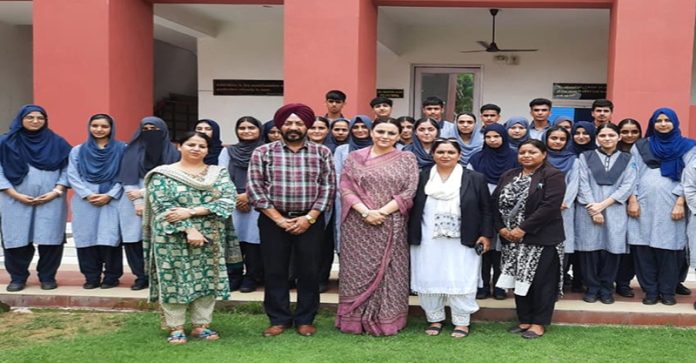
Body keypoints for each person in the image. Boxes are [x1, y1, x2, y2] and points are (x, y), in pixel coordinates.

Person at [143, 131, 240, 345]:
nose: (196, 149)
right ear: (179, 146)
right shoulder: (162, 175)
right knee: (175, 279)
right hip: (172, 236)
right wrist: (189, 229)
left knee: (206, 279)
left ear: (208, 150)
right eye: (191, 144)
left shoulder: (218, 173)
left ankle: (201, 325)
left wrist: (192, 212)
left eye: (202, 146)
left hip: (210, 234)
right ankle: (175, 327)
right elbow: (163, 206)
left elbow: (227, 199)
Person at [247, 103, 336, 337]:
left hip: (310, 221)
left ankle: (306, 319)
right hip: (272, 221)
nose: (294, 127)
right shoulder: (263, 152)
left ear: (306, 126)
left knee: (309, 271)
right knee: (275, 270)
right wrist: (278, 219)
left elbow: (328, 188)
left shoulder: (322, 152)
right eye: (289, 123)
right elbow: (255, 188)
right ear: (280, 125)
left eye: (299, 123)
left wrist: (309, 218)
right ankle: (279, 319)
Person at [336, 118, 418, 336]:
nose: (385, 136)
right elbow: (345, 187)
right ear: (371, 133)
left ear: (399, 136)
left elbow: (409, 191)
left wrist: (381, 212)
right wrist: (365, 212)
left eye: (391, 133)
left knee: (391, 271)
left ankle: (386, 320)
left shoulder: (407, 159)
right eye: (380, 131)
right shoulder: (354, 158)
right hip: (357, 224)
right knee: (357, 270)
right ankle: (354, 319)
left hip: (391, 223)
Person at [409, 138, 493, 338]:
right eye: (441, 152)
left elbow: (486, 210)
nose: (445, 156)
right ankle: (435, 319)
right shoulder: (422, 177)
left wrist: (486, 235)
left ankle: (462, 321)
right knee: (429, 276)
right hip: (428, 237)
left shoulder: (475, 178)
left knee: (461, 277)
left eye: (450, 152)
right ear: (433, 154)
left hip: (464, 238)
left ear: (459, 155)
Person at [493, 139, 566, 339]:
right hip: (512, 240)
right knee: (520, 280)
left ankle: (538, 323)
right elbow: (495, 203)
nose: (526, 155)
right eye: (522, 152)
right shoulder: (509, 175)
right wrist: (501, 228)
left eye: (532, 152)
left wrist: (523, 228)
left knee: (542, 282)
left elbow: (550, 206)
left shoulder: (553, 175)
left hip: (542, 239)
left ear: (543, 154)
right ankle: (524, 319)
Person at [1, 104, 71, 292]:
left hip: (51, 200)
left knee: (50, 240)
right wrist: (14, 194)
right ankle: (18, 278)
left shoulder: (58, 143)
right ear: (21, 119)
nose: (35, 121)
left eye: (40, 118)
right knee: (16, 239)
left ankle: (47, 277)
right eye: (30, 117)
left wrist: (56, 191)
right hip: (15, 200)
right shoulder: (6, 142)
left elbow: (68, 169)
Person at [629, 108, 695, 305]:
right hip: (644, 204)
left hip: (673, 204)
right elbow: (631, 174)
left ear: (675, 122)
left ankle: (667, 292)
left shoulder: (689, 147)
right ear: (652, 123)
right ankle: (650, 292)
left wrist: (680, 201)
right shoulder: (641, 146)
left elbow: (690, 178)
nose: (663, 124)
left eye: (667, 120)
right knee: (643, 248)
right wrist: (632, 199)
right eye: (659, 120)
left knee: (670, 250)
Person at [575, 123, 637, 305]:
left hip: (615, 209)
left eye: (611, 135)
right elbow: (582, 183)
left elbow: (628, 185)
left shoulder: (628, 159)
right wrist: (592, 208)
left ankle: (606, 288)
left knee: (613, 250)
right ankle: (592, 288)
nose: (607, 138)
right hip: (588, 208)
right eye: (603, 135)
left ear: (619, 137)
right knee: (589, 250)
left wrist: (602, 206)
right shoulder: (585, 157)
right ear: (597, 138)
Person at [117, 116, 180, 290]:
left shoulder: (173, 153)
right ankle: (141, 276)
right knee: (134, 240)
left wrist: (147, 196)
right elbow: (127, 178)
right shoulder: (131, 151)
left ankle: (160, 277)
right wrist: (138, 202)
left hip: (163, 201)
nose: (150, 132)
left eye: (154, 129)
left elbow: (173, 179)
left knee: (160, 239)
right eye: (146, 129)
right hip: (132, 203)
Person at [68, 114, 126, 289]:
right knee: (86, 239)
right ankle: (91, 277)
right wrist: (87, 194)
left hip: (112, 200)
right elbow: (72, 174)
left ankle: (111, 277)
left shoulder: (123, 148)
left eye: (104, 126)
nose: (99, 129)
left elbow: (125, 174)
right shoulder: (78, 150)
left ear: (111, 128)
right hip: (85, 201)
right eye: (95, 125)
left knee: (110, 238)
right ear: (89, 127)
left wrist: (110, 194)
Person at [468, 123, 519, 300]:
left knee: (502, 250)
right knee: (483, 248)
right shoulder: (477, 158)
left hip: (508, 211)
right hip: (482, 209)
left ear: (503, 137)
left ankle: (500, 286)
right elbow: (470, 183)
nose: (492, 140)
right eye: (488, 137)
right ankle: (482, 285)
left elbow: (520, 180)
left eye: (496, 136)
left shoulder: (515, 157)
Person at [219, 116, 265, 293]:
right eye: (242, 128)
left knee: (254, 241)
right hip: (233, 203)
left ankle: (252, 277)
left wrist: (248, 195)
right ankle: (234, 275)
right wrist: (237, 198)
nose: (246, 131)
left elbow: (268, 177)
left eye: (251, 127)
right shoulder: (228, 152)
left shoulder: (266, 150)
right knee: (234, 241)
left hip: (258, 203)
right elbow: (222, 177)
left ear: (259, 130)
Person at [544, 126, 582, 293]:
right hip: (541, 208)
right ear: (546, 139)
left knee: (563, 246)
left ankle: (556, 286)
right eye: (553, 138)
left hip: (564, 209)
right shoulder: (540, 157)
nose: (557, 142)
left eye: (562, 139)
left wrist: (562, 201)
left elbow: (574, 183)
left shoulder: (574, 160)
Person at [333, 115, 373, 251]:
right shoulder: (342, 150)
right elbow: (337, 176)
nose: (359, 130)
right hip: (346, 200)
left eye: (363, 127)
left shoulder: (378, 148)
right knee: (347, 237)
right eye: (355, 127)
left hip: (375, 199)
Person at [615, 118, 643, 297]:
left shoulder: (645, 150)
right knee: (616, 243)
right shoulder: (611, 150)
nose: (629, 135)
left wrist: (634, 199)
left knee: (632, 245)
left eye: (634, 132)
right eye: (625, 132)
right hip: (615, 203)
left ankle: (624, 282)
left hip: (639, 202)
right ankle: (612, 281)